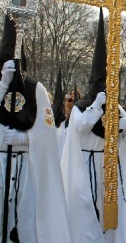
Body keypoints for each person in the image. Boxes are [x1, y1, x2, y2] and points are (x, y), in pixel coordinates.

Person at [61, 8, 126, 243]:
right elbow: (80, 128)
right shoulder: (80, 108)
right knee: (87, 205)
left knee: (112, 209)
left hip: (110, 165)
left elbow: (125, 141)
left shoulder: (116, 107)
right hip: (86, 163)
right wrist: (96, 105)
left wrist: (125, 128)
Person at [0, 15, 72, 242]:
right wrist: (2, 85)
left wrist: (24, 139)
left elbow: (47, 130)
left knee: (27, 219)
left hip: (26, 167)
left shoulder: (35, 88)